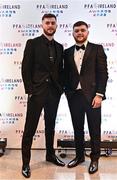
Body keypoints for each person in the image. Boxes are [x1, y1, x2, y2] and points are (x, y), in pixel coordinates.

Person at [21, 13, 65, 178]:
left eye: (53, 23)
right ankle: (25, 163)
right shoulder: (32, 43)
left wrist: (60, 88)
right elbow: (25, 68)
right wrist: (30, 90)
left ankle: (50, 154)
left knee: (50, 127)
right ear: (42, 25)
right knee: (29, 129)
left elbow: (60, 70)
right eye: (47, 23)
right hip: (37, 92)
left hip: (54, 93)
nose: (50, 25)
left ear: (56, 25)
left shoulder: (59, 47)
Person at [64, 21, 108, 174]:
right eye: (77, 31)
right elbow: (66, 74)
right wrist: (67, 91)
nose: (80, 33)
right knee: (77, 129)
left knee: (94, 129)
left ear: (87, 32)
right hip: (74, 96)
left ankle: (95, 159)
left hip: (93, 97)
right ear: (73, 33)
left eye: (83, 30)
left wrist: (99, 95)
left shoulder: (97, 49)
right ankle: (79, 156)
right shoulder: (67, 52)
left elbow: (103, 74)